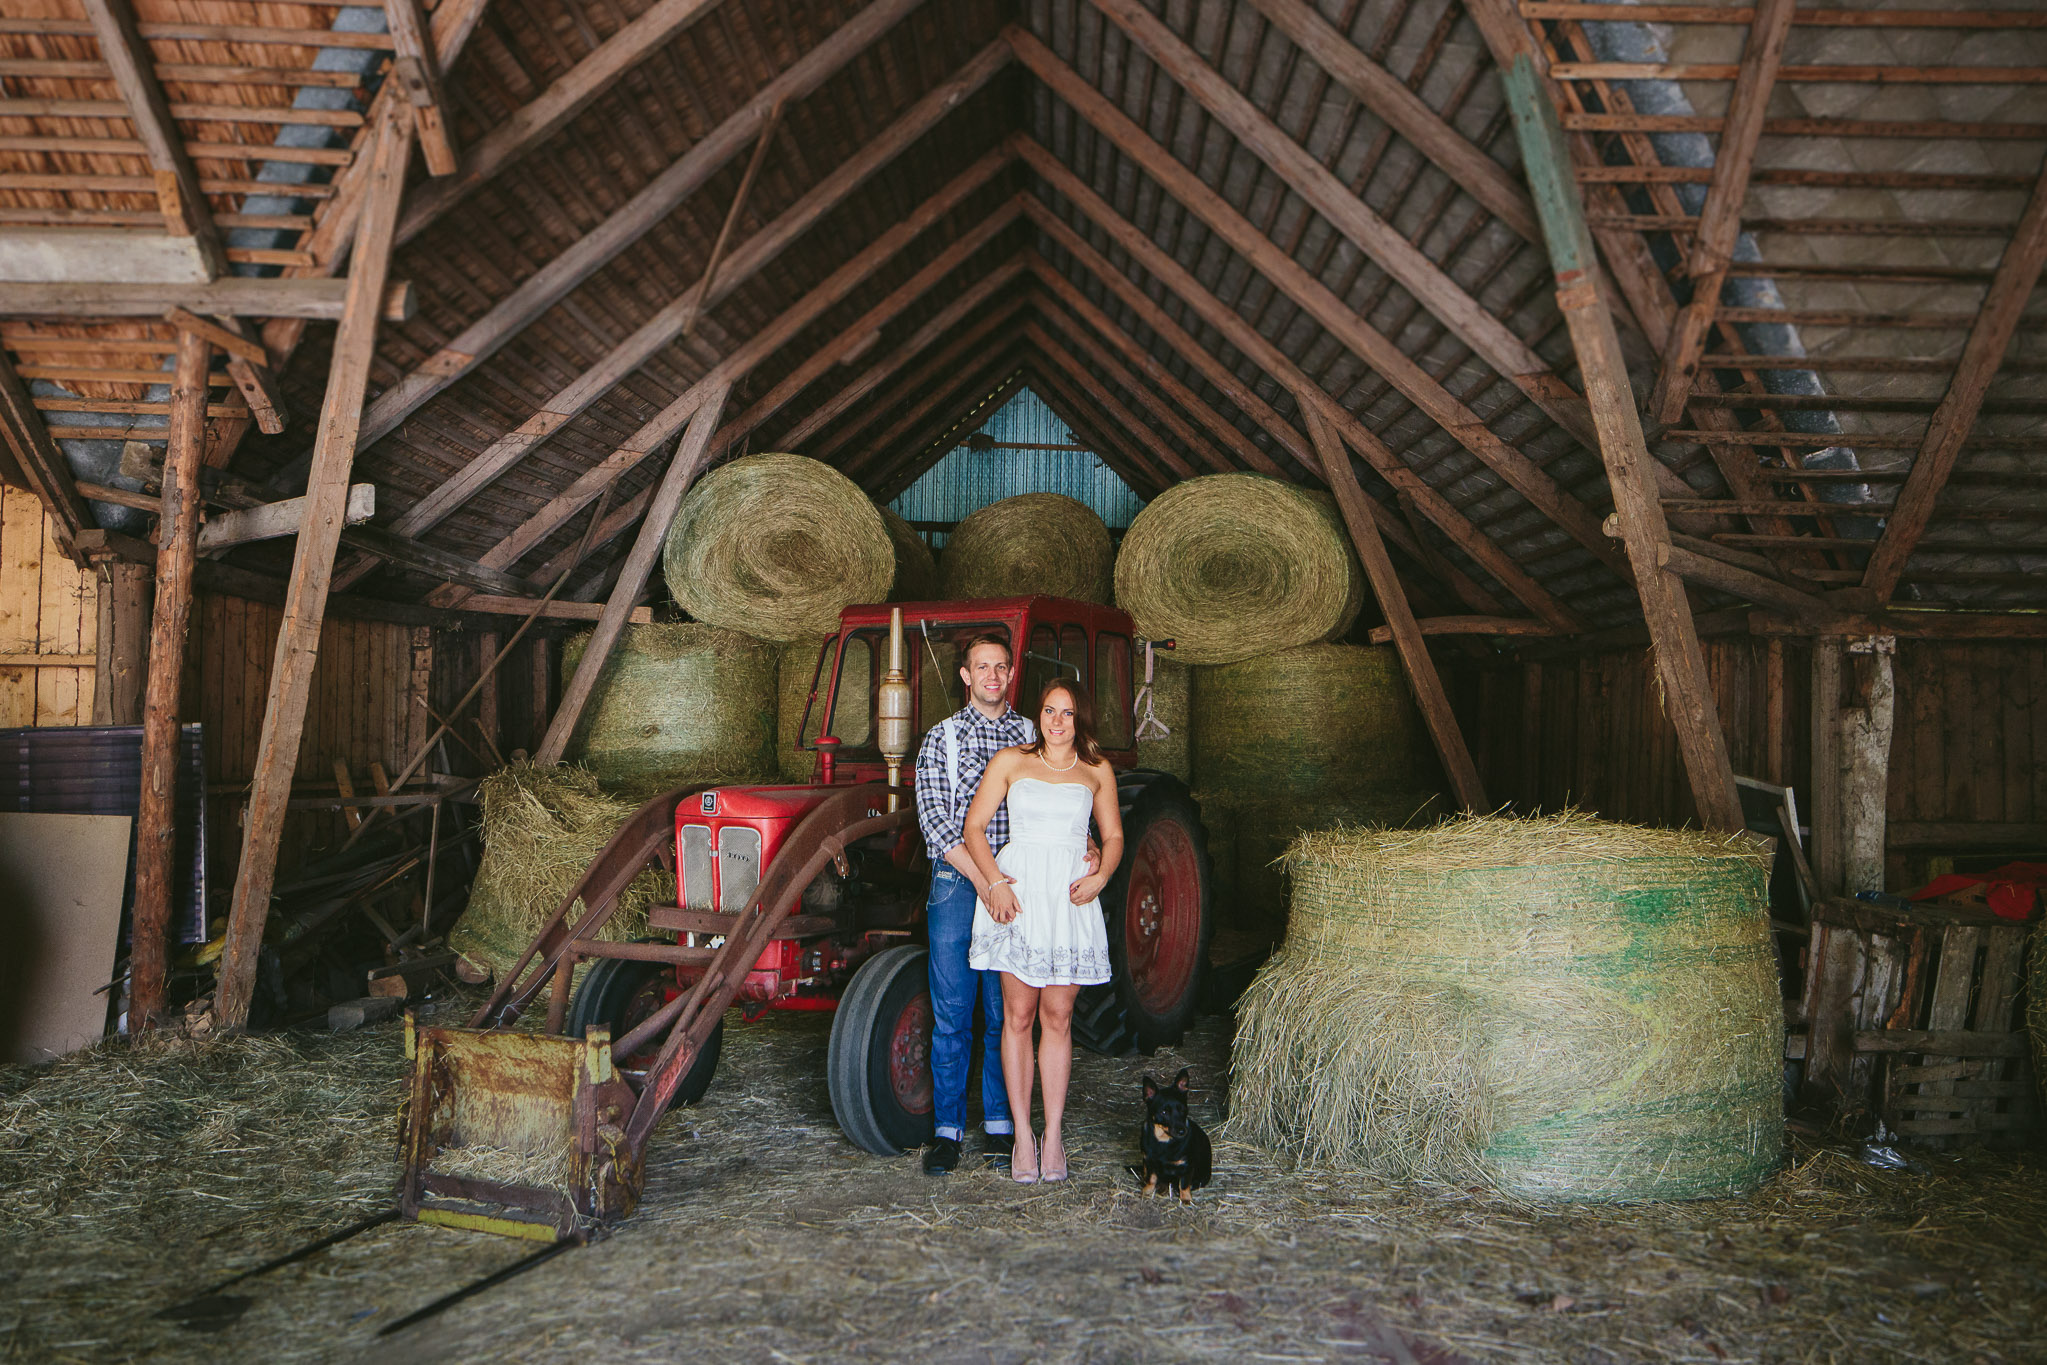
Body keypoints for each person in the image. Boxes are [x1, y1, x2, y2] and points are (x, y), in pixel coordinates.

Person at [962, 678, 1123, 1184]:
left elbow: (1114, 835)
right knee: (1017, 1015)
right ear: (1039, 716)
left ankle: (1052, 1134)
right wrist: (993, 884)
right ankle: (1022, 1138)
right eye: (1049, 711)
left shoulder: (1097, 770)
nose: (1057, 721)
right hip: (1021, 894)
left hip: (1069, 900)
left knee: (1058, 1015)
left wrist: (1100, 875)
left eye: (1067, 713)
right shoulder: (1012, 761)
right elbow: (973, 827)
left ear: (1081, 720)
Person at [911, 631, 1031, 1175]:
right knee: (954, 1011)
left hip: (1017, 881)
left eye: (1000, 667)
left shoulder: (1031, 735)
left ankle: (1002, 1127)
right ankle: (948, 1130)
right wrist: (987, 882)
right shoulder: (943, 738)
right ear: (965, 676)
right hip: (960, 883)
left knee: (1005, 1011)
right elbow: (936, 824)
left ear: (1010, 674)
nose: (991, 676)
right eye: (981, 667)